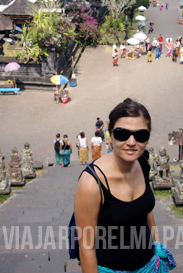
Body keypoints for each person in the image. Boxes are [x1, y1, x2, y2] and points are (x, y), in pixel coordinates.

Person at [74, 99, 175, 273]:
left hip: (151, 264)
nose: (131, 142)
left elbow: (146, 211)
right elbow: (86, 248)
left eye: (141, 135)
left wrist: (158, 247)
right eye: (122, 134)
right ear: (110, 134)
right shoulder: (91, 183)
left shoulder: (142, 161)